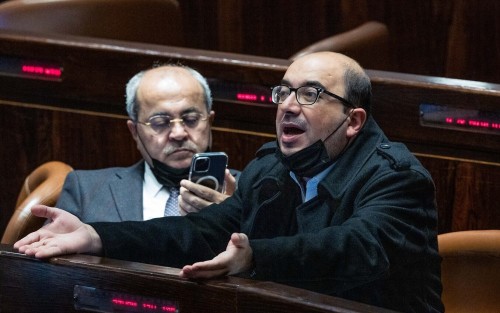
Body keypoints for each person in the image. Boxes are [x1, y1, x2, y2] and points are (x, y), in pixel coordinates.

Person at [15, 52, 444, 312]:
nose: (288, 107)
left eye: (310, 95)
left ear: (353, 121)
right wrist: (96, 237)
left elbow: (353, 249)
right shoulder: (271, 167)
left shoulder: (397, 180)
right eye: (284, 92)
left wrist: (254, 258)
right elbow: (203, 229)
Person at [56, 64, 238, 221]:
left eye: (190, 119)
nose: (178, 133)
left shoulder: (252, 191)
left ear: (210, 122)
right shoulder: (86, 190)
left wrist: (232, 217)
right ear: (134, 131)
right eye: (160, 122)